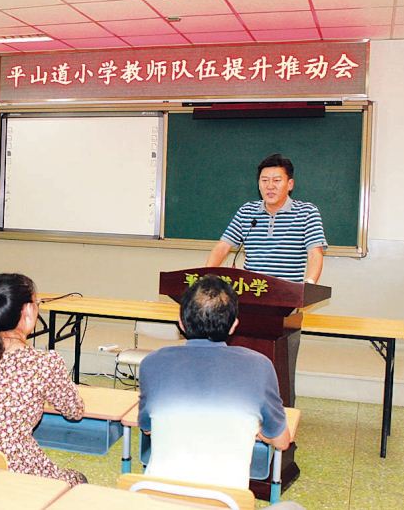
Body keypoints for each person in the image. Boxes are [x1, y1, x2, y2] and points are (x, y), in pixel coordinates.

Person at [138, 275, 289, 489]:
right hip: (225, 502)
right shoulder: (260, 366)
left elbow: (147, 428)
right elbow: (282, 441)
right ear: (234, 325)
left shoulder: (152, 363)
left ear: (181, 323)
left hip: (157, 498)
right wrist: (258, 431)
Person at [0, 273, 86, 486]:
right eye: (37, 303)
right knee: (78, 480)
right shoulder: (44, 363)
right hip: (13, 471)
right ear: (27, 311)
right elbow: (74, 411)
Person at [205, 153, 327, 284]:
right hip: (251, 292)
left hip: (288, 294)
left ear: (290, 184)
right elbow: (222, 247)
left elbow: (315, 253)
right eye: (264, 180)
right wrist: (205, 277)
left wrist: (309, 284)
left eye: (276, 180)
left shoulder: (307, 212)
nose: (270, 186)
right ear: (258, 184)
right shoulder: (247, 210)